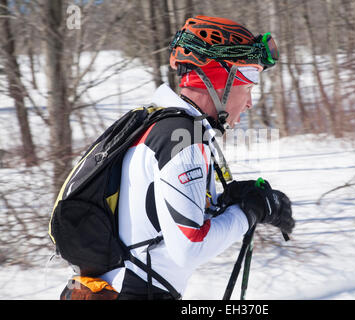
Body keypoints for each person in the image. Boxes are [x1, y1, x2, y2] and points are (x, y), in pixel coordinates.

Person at [97, 15, 295, 300]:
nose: (250, 101)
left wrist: (233, 200)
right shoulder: (181, 137)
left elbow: (171, 222)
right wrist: (250, 212)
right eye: (249, 82)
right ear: (219, 78)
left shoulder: (165, 127)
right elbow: (190, 246)